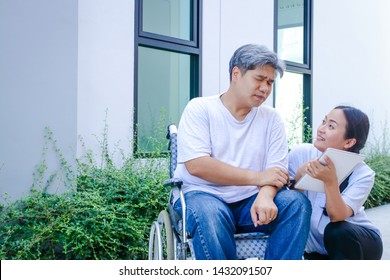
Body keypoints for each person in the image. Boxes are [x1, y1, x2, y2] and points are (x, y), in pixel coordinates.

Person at [172, 44, 312, 260]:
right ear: (236, 74)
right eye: (259, 79)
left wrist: (266, 195)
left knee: (295, 204)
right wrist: (258, 178)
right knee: (210, 214)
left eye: (270, 82)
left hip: (250, 201)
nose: (265, 88)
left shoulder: (272, 119)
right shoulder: (200, 108)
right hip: (202, 194)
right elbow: (197, 165)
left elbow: (276, 170)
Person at [288, 105, 383, 260]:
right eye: (323, 122)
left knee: (336, 231)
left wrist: (330, 181)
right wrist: (300, 176)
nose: (321, 129)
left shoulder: (363, 173)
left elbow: (337, 216)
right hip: (318, 250)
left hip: (359, 242)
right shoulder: (300, 154)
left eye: (331, 126)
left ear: (349, 142)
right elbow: (292, 205)